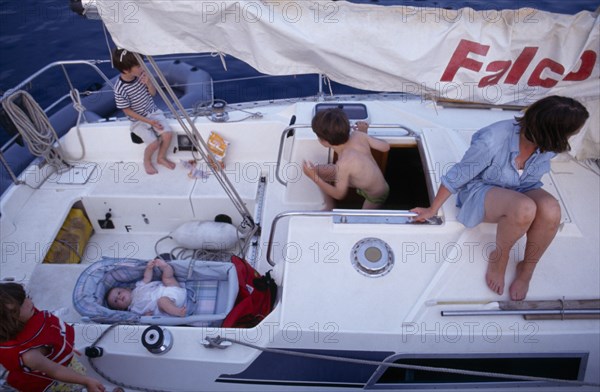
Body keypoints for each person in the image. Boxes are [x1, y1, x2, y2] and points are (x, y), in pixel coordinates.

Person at [411, 96, 589, 300]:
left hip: (522, 186)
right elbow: (459, 174)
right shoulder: (493, 139)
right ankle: (500, 258)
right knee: (524, 208)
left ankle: (527, 268)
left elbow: (530, 181)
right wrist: (432, 209)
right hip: (483, 189)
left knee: (552, 209)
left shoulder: (549, 144)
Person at [0, 283, 106, 392]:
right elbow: (56, 371)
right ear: (7, 320)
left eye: (25, 297)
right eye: (21, 304)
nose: (29, 302)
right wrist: (87, 381)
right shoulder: (29, 355)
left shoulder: (25, 316)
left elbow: (49, 332)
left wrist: (63, 346)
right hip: (57, 382)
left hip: (60, 360)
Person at [303, 108, 390, 209]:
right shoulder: (359, 135)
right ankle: (329, 206)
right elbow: (385, 147)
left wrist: (314, 177)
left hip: (376, 194)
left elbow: (339, 194)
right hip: (359, 180)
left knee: (363, 220)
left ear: (325, 142)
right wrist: (365, 134)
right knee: (317, 170)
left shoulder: (344, 163)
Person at [112, 48, 176, 175]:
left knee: (168, 134)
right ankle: (146, 161)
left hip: (152, 112)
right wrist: (149, 122)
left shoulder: (141, 76)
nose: (142, 67)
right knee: (154, 143)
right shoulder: (120, 88)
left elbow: (153, 94)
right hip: (138, 120)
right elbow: (128, 112)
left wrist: (149, 83)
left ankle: (160, 158)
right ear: (126, 70)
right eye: (138, 65)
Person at [107, 258, 187, 317]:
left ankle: (165, 266)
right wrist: (146, 316)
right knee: (162, 301)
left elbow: (147, 278)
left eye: (119, 293)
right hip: (168, 305)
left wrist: (149, 268)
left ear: (127, 289)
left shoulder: (138, 287)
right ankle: (179, 312)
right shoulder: (133, 310)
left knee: (167, 278)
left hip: (171, 289)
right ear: (120, 309)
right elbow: (140, 318)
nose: (119, 297)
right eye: (116, 301)